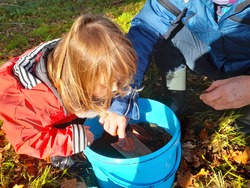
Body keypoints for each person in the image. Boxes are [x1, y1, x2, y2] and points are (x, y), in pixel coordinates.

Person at [0, 14, 138, 169]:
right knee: (63, 138)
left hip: (67, 99)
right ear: (80, 82)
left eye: (118, 82)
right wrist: (71, 139)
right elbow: (28, 139)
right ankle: (61, 158)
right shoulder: (27, 105)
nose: (115, 89)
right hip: (45, 117)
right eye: (107, 85)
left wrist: (115, 106)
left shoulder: (83, 63)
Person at [102, 0, 250, 139]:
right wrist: (122, 96)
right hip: (208, 56)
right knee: (164, 35)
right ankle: (176, 102)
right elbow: (147, 30)